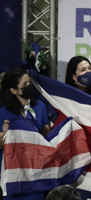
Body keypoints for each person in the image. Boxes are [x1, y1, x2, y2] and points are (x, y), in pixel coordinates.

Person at [0, 68, 50, 200]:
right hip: (14, 172)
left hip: (36, 171)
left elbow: (47, 136)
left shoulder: (40, 106)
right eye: (25, 84)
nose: (29, 86)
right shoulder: (3, 113)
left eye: (29, 82)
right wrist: (6, 135)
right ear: (13, 90)